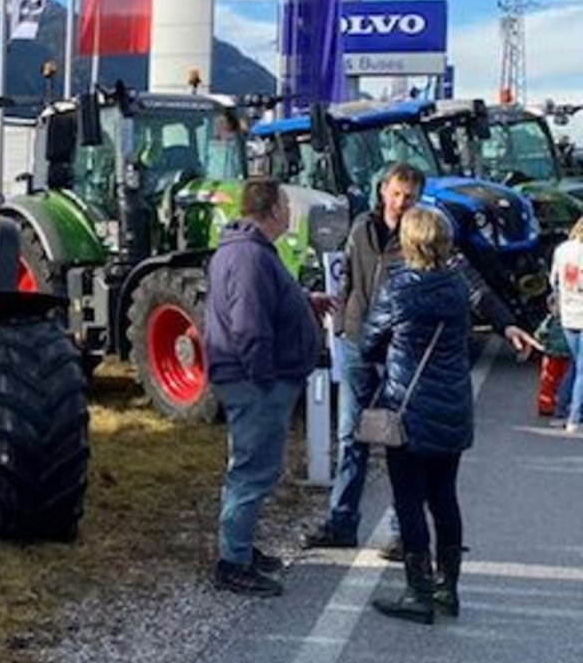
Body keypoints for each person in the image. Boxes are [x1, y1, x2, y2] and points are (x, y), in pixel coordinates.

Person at [303, 162, 539, 553]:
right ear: (383, 191)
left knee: (402, 442)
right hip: (358, 343)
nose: (401, 202)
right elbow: (348, 278)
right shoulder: (361, 228)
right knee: (351, 437)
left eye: (409, 196)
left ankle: (403, 533)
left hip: (401, 352)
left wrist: (506, 324)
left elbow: (471, 284)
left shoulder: (425, 235)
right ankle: (342, 523)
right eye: (396, 193)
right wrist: (343, 323)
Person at [205, 178, 327, 595]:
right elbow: (249, 325)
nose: (291, 213)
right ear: (274, 209)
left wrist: (304, 303)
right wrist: (265, 377)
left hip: (254, 379)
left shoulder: (250, 252)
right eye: (287, 205)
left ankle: (239, 547)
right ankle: (232, 563)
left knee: (253, 468)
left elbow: (263, 304)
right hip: (255, 383)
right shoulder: (249, 257)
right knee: (251, 471)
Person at [359, 205, 474, 622]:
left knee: (409, 500)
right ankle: (449, 588)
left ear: (408, 242)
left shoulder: (398, 288)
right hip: (453, 403)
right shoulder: (458, 286)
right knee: (445, 496)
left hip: (408, 406)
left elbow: (370, 343)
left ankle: (418, 592)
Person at [548, 214, 583, 434]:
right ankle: (574, 417)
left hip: (568, 314)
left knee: (576, 364)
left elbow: (553, 280)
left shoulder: (562, 250)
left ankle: (561, 409)